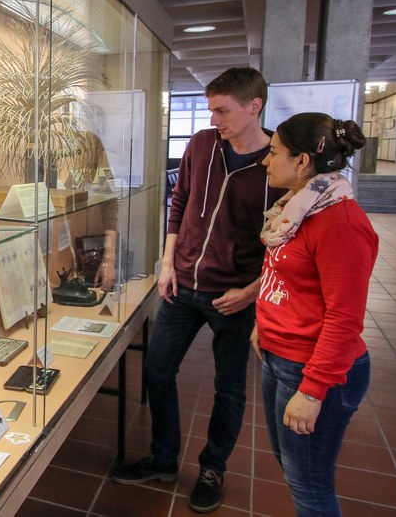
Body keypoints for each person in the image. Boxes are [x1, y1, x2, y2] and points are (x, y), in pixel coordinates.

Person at [111, 67, 286, 513]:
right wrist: (168, 262)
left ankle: (213, 468)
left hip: (234, 296)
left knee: (228, 388)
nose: (214, 120)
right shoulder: (203, 144)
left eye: (223, 110)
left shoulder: (275, 166)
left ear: (254, 107)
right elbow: (181, 201)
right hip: (182, 283)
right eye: (211, 110)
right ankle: (164, 458)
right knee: (157, 371)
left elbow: (285, 244)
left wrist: (249, 293)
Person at [251, 112, 378, 516]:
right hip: (280, 355)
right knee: (292, 468)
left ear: (302, 161)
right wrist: (263, 324)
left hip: (310, 369)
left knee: (310, 484)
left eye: (273, 153)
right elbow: (282, 274)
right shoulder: (296, 209)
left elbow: (345, 318)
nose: (265, 161)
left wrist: (312, 390)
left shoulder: (339, 223)